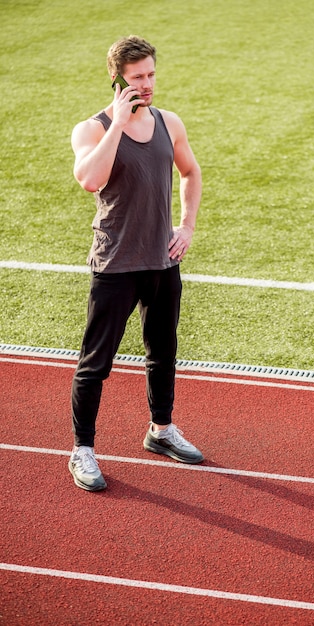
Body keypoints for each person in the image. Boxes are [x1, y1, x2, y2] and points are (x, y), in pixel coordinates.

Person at [68, 35, 203, 492]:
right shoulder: (91, 129)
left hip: (161, 262)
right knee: (95, 363)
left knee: (162, 353)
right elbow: (90, 179)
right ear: (116, 80)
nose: (146, 85)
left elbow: (190, 172)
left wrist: (185, 227)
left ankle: (161, 431)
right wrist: (118, 125)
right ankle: (83, 449)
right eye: (136, 78)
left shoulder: (169, 121)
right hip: (115, 263)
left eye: (150, 75)